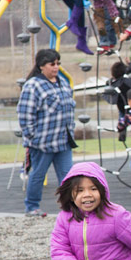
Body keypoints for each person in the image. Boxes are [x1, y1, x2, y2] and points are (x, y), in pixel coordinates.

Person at [17, 49, 76, 217]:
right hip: (42, 142)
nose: (56, 67)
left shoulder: (63, 83)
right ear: (42, 66)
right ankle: (32, 206)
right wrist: (32, 136)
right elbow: (25, 113)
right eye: (52, 64)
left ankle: (70, 207)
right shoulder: (33, 85)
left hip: (64, 141)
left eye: (58, 63)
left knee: (68, 176)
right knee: (38, 175)